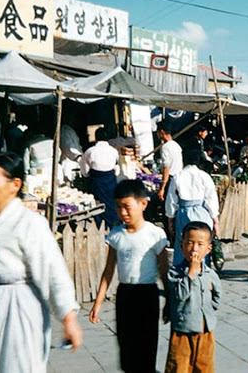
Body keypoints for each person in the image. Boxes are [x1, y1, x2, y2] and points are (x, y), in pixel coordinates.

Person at [0, 152, 82, 370]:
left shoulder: (30, 223)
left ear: (15, 184)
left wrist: (68, 319)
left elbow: (53, 271)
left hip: (17, 309)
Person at [90, 179, 169, 373]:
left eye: (127, 206)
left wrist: (169, 299)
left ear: (143, 204)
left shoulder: (155, 234)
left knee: (147, 344)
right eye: (118, 207)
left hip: (147, 294)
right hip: (125, 294)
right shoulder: (117, 235)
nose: (122, 212)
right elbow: (108, 271)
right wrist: (98, 303)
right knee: (126, 345)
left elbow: (164, 270)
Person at [165, 221, 222, 373]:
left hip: (205, 329)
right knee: (179, 365)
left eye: (200, 244)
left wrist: (208, 311)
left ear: (208, 249)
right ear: (181, 245)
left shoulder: (210, 274)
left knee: (205, 366)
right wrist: (191, 272)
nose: (194, 249)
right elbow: (179, 295)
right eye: (189, 243)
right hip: (183, 328)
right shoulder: (174, 273)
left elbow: (217, 297)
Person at [165, 149, 220, 266]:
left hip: (184, 214)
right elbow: (211, 200)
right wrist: (215, 221)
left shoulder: (177, 177)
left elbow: (171, 200)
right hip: (203, 214)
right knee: (201, 245)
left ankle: (182, 273)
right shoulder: (204, 176)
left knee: (184, 244)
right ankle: (202, 272)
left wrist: (170, 219)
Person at [81, 127, 120, 228]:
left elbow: (84, 168)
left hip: (97, 180)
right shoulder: (113, 151)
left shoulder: (90, 151)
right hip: (110, 179)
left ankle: (100, 226)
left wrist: (88, 175)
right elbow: (117, 164)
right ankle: (113, 225)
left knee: (97, 203)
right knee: (111, 203)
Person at [157, 122, 183, 201]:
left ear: (162, 132)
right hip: (179, 177)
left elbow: (166, 168)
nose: (157, 135)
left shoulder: (165, 147)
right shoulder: (176, 145)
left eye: (157, 132)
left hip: (170, 179)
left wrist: (162, 188)